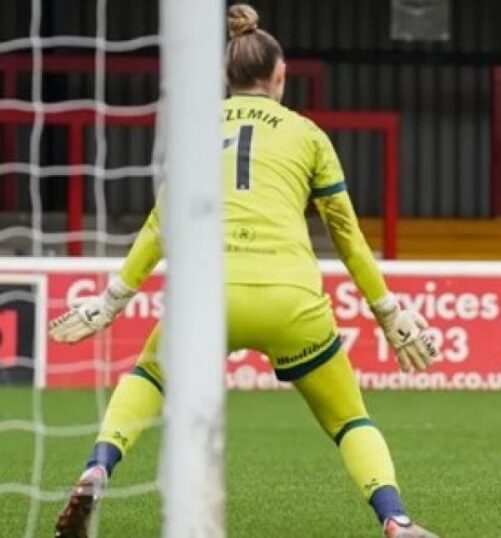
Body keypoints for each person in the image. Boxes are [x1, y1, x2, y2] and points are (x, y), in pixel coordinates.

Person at [48, 5, 440, 536]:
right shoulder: (307, 134)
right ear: (281, 77)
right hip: (290, 298)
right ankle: (395, 518)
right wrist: (387, 310)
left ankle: (99, 465)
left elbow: (162, 224)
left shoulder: (195, 126)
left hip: (209, 294)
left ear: (222, 78)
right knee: (350, 420)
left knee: (149, 375)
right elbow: (346, 235)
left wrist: (113, 298)